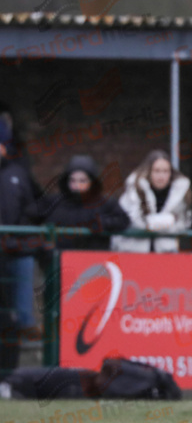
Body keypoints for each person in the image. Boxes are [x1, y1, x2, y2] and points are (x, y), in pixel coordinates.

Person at [0, 118, 37, 378]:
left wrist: (17, 239)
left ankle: (8, 377)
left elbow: (32, 209)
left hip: (14, 253)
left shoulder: (18, 173)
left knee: (14, 319)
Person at [36, 155, 129, 250]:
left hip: (91, 260)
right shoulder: (54, 202)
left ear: (92, 182)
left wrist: (103, 223)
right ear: (66, 181)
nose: (77, 185)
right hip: (59, 260)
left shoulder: (104, 203)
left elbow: (123, 220)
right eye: (73, 180)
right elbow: (30, 217)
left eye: (82, 181)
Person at [112, 150, 192, 253]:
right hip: (134, 253)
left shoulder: (180, 192)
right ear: (148, 171)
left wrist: (151, 222)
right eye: (157, 171)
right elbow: (138, 223)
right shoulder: (134, 190)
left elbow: (183, 224)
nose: (161, 176)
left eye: (165, 171)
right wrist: (169, 220)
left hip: (164, 255)